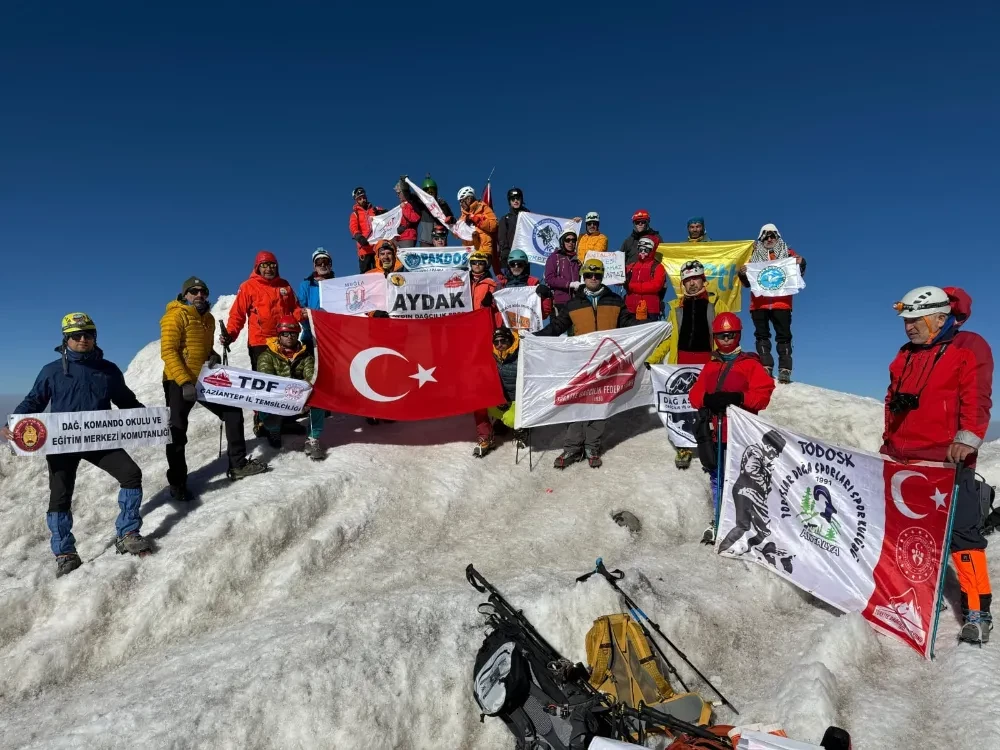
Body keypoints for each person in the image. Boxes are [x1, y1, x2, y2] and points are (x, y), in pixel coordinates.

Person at [881, 285, 993, 645]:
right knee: (910, 532)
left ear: (940, 318)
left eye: (915, 319)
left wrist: (967, 438)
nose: (908, 327)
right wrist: (889, 440)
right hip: (906, 456)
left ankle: (977, 609)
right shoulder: (905, 354)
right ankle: (920, 595)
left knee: (963, 536)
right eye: (906, 320)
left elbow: (976, 396)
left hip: (948, 458)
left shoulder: (969, 346)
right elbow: (892, 400)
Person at [1, 313, 151, 576]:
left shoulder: (108, 370)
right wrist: (11, 423)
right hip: (62, 442)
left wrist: (152, 419)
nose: (83, 339)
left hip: (99, 439)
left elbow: (126, 401)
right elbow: (33, 401)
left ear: (95, 337)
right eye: (76, 335)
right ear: (66, 339)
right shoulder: (52, 371)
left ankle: (128, 533)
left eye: (88, 335)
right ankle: (65, 552)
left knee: (131, 474)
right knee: (60, 495)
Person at [161, 278, 268, 498]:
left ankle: (237, 465)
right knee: (177, 431)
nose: (199, 294)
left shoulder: (208, 318)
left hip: (203, 379)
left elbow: (205, 348)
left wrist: (212, 355)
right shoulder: (175, 315)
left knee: (232, 411)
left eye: (203, 291)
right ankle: (178, 483)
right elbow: (169, 351)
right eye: (194, 291)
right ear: (185, 294)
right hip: (177, 380)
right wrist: (184, 382)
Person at [536, 259, 638, 468]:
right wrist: (535, 337)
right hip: (581, 362)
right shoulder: (574, 303)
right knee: (577, 403)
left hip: (606, 362)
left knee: (599, 403)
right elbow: (556, 327)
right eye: (590, 275)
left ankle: (592, 446)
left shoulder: (615, 300)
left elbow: (628, 323)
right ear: (583, 276)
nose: (593, 278)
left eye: (598, 275)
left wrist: (649, 324)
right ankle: (573, 448)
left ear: (602, 277)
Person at [689, 313, 776, 544]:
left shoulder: (750, 364)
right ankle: (718, 520)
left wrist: (739, 397)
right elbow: (694, 395)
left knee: (739, 480)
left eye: (730, 335)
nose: (726, 339)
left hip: (739, 434)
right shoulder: (712, 364)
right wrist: (707, 400)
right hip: (714, 432)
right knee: (717, 477)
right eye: (721, 335)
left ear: (738, 335)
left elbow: (763, 395)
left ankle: (740, 522)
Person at [646, 260, 717, 470]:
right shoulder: (676, 307)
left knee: (707, 405)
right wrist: (654, 358)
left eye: (695, 279)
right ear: (682, 284)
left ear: (703, 280)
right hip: (682, 360)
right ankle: (684, 446)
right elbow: (669, 338)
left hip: (707, 360)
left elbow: (723, 333)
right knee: (683, 406)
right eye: (687, 280)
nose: (692, 284)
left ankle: (710, 447)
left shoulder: (716, 303)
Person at [221, 250, 302, 435]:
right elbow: (237, 315)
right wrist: (230, 334)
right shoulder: (248, 286)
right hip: (260, 342)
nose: (269, 269)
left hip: (283, 341)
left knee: (285, 381)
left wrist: (306, 317)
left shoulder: (284, 286)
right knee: (263, 384)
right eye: (264, 265)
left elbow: (295, 309)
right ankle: (262, 422)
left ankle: (286, 420)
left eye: (272, 265)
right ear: (257, 267)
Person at [738, 224, 805, 384]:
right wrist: (742, 273)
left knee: (784, 335)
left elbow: (799, 272)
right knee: (761, 335)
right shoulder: (753, 257)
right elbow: (748, 283)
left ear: (777, 237)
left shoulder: (788, 253)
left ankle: (785, 369)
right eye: (765, 237)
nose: (769, 239)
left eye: (772, 236)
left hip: (781, 303)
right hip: (759, 304)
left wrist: (801, 262)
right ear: (761, 239)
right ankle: (765, 366)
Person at [256, 316, 327, 460]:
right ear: (279, 335)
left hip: (299, 399)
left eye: (293, 333)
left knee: (319, 397)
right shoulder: (266, 357)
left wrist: (302, 399)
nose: (290, 337)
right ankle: (273, 430)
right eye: (285, 334)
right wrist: (289, 399)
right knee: (263, 400)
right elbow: (268, 383)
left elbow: (310, 377)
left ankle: (312, 439)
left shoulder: (305, 356)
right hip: (278, 400)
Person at [472, 327, 525, 456]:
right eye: (496, 342)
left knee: (510, 419)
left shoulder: (521, 355)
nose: (500, 345)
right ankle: (487, 437)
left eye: (503, 341)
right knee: (478, 404)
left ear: (511, 340)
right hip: (501, 400)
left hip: (518, 401)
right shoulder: (492, 356)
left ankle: (523, 428)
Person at [495, 249, 553, 321]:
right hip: (505, 327)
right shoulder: (500, 285)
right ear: (508, 266)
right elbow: (492, 310)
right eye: (513, 264)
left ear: (525, 265)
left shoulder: (533, 284)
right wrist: (486, 303)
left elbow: (543, 314)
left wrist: (546, 296)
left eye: (520, 264)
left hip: (527, 326)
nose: (516, 267)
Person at [296, 247, 334, 344]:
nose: (322, 265)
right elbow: (299, 308)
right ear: (314, 266)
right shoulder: (306, 285)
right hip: (311, 336)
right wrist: (309, 323)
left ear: (330, 265)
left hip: (333, 335)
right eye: (319, 262)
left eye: (325, 261)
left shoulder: (338, 285)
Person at [624, 237, 667, 322]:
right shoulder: (631, 266)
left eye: (646, 250)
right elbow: (619, 278)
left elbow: (656, 285)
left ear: (651, 251)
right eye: (640, 249)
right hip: (630, 308)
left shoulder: (658, 267)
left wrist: (632, 286)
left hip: (651, 309)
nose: (643, 252)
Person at [543, 228, 583, 317]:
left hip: (575, 302)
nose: (570, 243)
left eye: (573, 240)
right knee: (560, 329)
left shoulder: (577, 261)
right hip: (559, 302)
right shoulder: (554, 258)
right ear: (562, 241)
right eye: (567, 240)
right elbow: (549, 278)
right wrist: (569, 284)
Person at [456, 186, 499, 263]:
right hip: (469, 252)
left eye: (462, 201)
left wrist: (476, 219)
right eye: (460, 202)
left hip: (483, 251)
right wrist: (452, 224)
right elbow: (457, 234)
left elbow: (494, 225)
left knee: (483, 274)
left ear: (469, 199)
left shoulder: (483, 208)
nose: (461, 204)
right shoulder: (463, 216)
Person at [349, 186, 386, 274]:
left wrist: (383, 213)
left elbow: (388, 215)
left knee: (380, 270)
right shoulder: (355, 214)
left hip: (377, 246)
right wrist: (359, 237)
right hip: (364, 248)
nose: (363, 200)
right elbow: (353, 227)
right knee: (366, 273)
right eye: (360, 199)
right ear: (356, 200)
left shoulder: (374, 210)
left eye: (364, 197)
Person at [416, 174, 455, 247]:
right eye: (427, 191)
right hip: (426, 241)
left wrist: (450, 219)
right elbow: (410, 198)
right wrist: (405, 186)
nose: (430, 193)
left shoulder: (442, 204)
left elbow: (451, 218)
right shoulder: (421, 205)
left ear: (436, 192)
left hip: (441, 238)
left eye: (432, 191)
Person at [497, 186, 529, 266]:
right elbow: (502, 237)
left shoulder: (529, 217)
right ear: (509, 202)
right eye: (512, 199)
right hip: (510, 255)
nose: (515, 201)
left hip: (525, 255)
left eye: (517, 198)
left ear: (521, 200)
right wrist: (505, 253)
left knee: (524, 277)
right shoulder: (506, 219)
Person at [393, 177, 423, 249]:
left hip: (408, 237)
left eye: (399, 193)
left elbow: (414, 218)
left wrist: (404, 208)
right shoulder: (402, 205)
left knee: (406, 258)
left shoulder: (413, 203)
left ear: (404, 191)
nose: (398, 195)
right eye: (397, 193)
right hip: (397, 237)